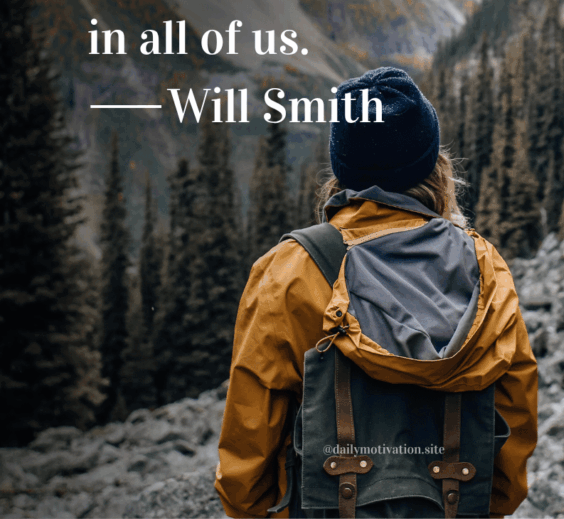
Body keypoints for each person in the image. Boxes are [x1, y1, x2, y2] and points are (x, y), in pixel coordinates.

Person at [216, 66, 538, 518]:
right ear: (433, 166)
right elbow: (513, 414)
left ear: (342, 169)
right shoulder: (485, 268)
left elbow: (250, 439)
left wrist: (249, 509)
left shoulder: (289, 271)